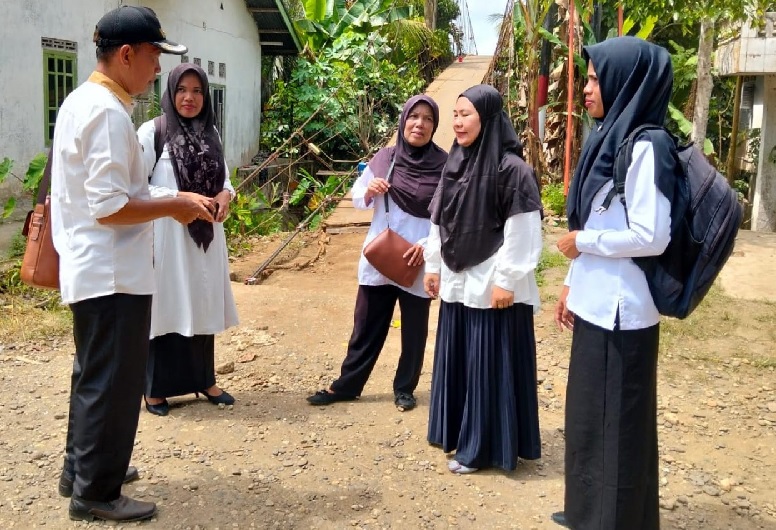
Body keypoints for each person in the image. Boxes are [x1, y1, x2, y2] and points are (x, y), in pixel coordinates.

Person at [51, 6, 210, 523]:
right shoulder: (106, 113)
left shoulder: (86, 101)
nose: (158, 69)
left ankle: (81, 468)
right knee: (115, 383)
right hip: (112, 274)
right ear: (126, 55)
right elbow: (110, 205)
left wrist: (168, 196)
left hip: (97, 270)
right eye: (153, 56)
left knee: (94, 374)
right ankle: (97, 491)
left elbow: (119, 193)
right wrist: (176, 205)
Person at [552, 37, 676, 530]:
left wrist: (583, 242)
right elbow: (600, 218)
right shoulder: (609, 139)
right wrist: (569, 283)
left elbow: (652, 236)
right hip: (596, 301)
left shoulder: (648, 145)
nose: (585, 89)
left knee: (619, 427)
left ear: (626, 81)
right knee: (587, 421)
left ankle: (615, 520)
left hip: (625, 309)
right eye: (586, 78)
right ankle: (586, 510)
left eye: (595, 79)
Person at [424, 84, 543, 474]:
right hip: (460, 279)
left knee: (487, 365)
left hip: (492, 282)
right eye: (455, 115)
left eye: (466, 114)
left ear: (488, 118)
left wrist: (507, 279)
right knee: (462, 361)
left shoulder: (514, 170)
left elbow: (523, 228)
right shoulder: (455, 162)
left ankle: (482, 448)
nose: (457, 122)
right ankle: (461, 435)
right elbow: (439, 220)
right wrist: (433, 265)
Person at [307, 94, 447, 411]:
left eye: (428, 119)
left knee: (414, 332)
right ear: (404, 120)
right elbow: (357, 196)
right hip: (381, 259)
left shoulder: (445, 164)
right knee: (366, 326)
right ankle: (347, 386)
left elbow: (449, 214)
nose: (420, 124)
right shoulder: (386, 158)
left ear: (434, 126)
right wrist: (369, 190)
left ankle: (405, 389)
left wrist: (427, 247)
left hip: (419, 257)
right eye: (414, 116)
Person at [137, 63, 238, 416]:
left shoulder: (212, 134)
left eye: (197, 91)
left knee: (202, 300)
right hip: (168, 237)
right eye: (182, 90)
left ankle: (204, 380)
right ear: (170, 92)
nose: (189, 98)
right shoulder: (153, 132)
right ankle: (155, 391)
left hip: (206, 237)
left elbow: (225, 180)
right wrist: (181, 199)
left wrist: (226, 196)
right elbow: (136, 187)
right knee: (168, 304)